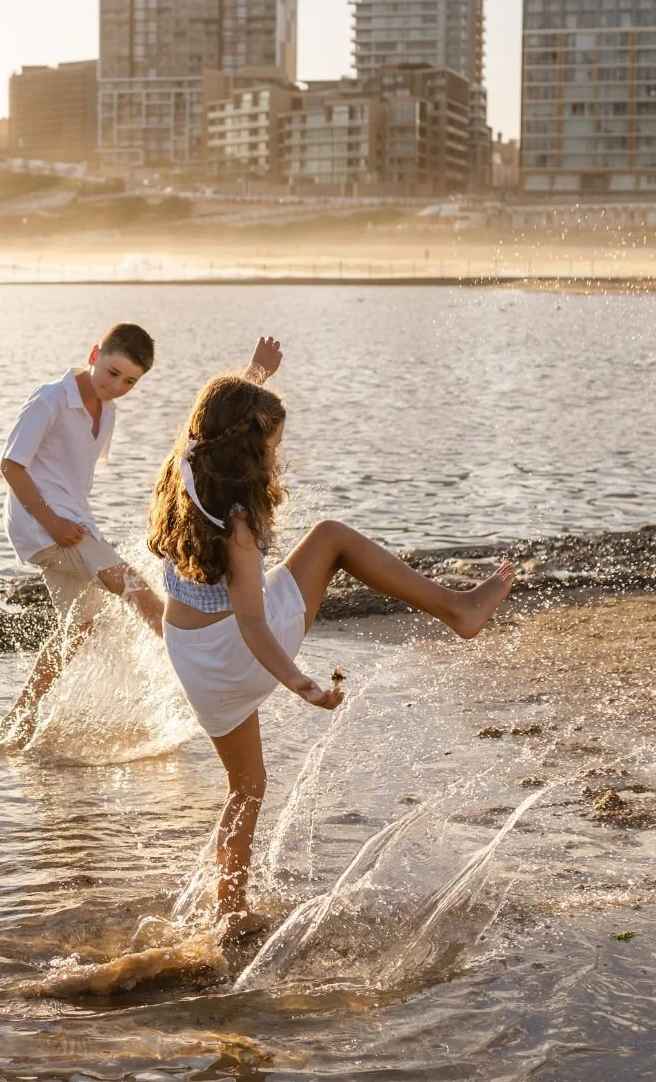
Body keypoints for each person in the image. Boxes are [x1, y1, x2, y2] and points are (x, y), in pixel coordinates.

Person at [146, 360, 515, 939]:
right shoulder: (237, 526)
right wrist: (302, 684)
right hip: (240, 647)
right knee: (331, 537)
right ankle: (458, 609)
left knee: (246, 785)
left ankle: (230, 909)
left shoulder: (187, 463)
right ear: (246, 449)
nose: (277, 455)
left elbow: (216, 420)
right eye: (271, 444)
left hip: (192, 656)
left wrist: (254, 375)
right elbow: (250, 621)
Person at [0, 325, 283, 746]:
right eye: (112, 373)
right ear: (94, 354)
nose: (117, 387)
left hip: (72, 525)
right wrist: (53, 523)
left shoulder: (104, 409)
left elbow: (200, 436)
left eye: (130, 381)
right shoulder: (50, 400)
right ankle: (214, 682)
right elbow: (11, 465)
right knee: (140, 592)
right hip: (48, 527)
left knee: (78, 628)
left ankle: (19, 720)